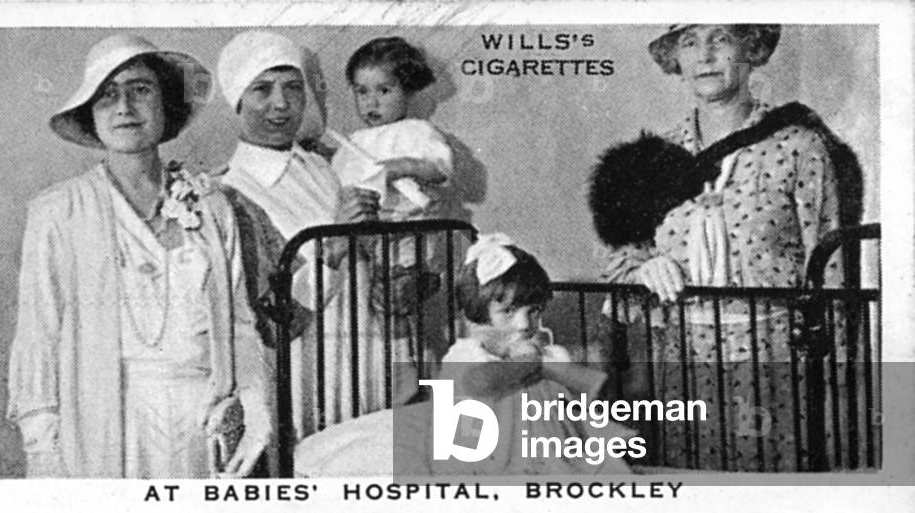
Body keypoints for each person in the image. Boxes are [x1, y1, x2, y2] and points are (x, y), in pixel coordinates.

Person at [589, 24, 864, 471]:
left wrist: (837, 383)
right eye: (690, 42)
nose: (705, 55)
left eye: (721, 39)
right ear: (674, 59)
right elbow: (619, 258)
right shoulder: (654, 152)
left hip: (774, 361)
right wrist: (644, 267)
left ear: (751, 48)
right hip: (683, 364)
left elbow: (831, 271)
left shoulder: (799, 146)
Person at [7, 34, 269, 478]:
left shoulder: (211, 205)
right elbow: (38, 333)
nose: (124, 106)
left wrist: (257, 406)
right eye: (107, 95)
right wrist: (43, 445)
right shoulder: (58, 211)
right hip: (103, 421)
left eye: (140, 89)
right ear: (90, 115)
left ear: (165, 106)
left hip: (202, 423)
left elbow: (240, 324)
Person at [214, 31, 439, 443]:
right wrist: (331, 251)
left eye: (293, 87)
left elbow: (377, 265)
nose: (282, 104)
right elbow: (267, 322)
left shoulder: (325, 166)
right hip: (313, 378)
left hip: (376, 359)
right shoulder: (231, 194)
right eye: (262, 89)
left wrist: (404, 276)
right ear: (237, 100)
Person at [294, 234, 634, 477]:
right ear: (480, 312)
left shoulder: (543, 347)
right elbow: (479, 385)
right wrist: (527, 364)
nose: (524, 323)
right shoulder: (469, 353)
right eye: (509, 311)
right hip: (482, 445)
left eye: (533, 311)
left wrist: (552, 368)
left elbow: (589, 388)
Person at [330, 36, 454, 394]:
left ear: (407, 89)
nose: (371, 102)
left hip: (406, 235)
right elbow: (338, 186)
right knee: (373, 311)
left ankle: (410, 380)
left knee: (398, 305)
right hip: (365, 238)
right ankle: (396, 379)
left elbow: (440, 169)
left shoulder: (416, 132)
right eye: (362, 91)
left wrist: (401, 166)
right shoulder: (351, 142)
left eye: (383, 90)